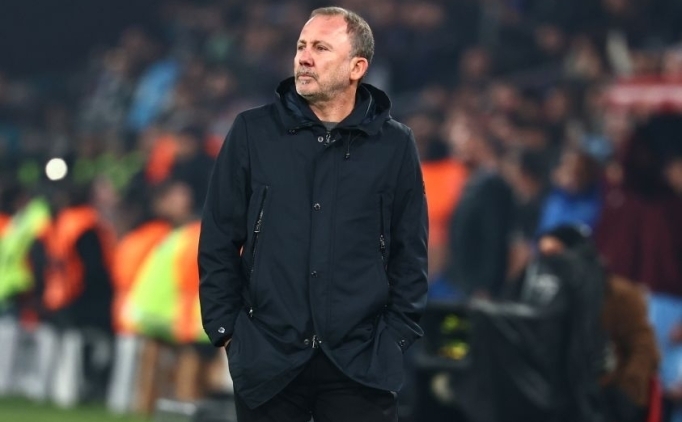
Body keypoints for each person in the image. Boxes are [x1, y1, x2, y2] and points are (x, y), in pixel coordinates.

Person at [198, 7, 428, 422]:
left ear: (357, 67)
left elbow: (409, 251)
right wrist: (228, 332)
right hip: (268, 358)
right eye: (301, 46)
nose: (304, 57)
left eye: (321, 48)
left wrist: (395, 338)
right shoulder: (252, 132)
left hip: (361, 363)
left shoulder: (395, 145)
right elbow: (218, 239)